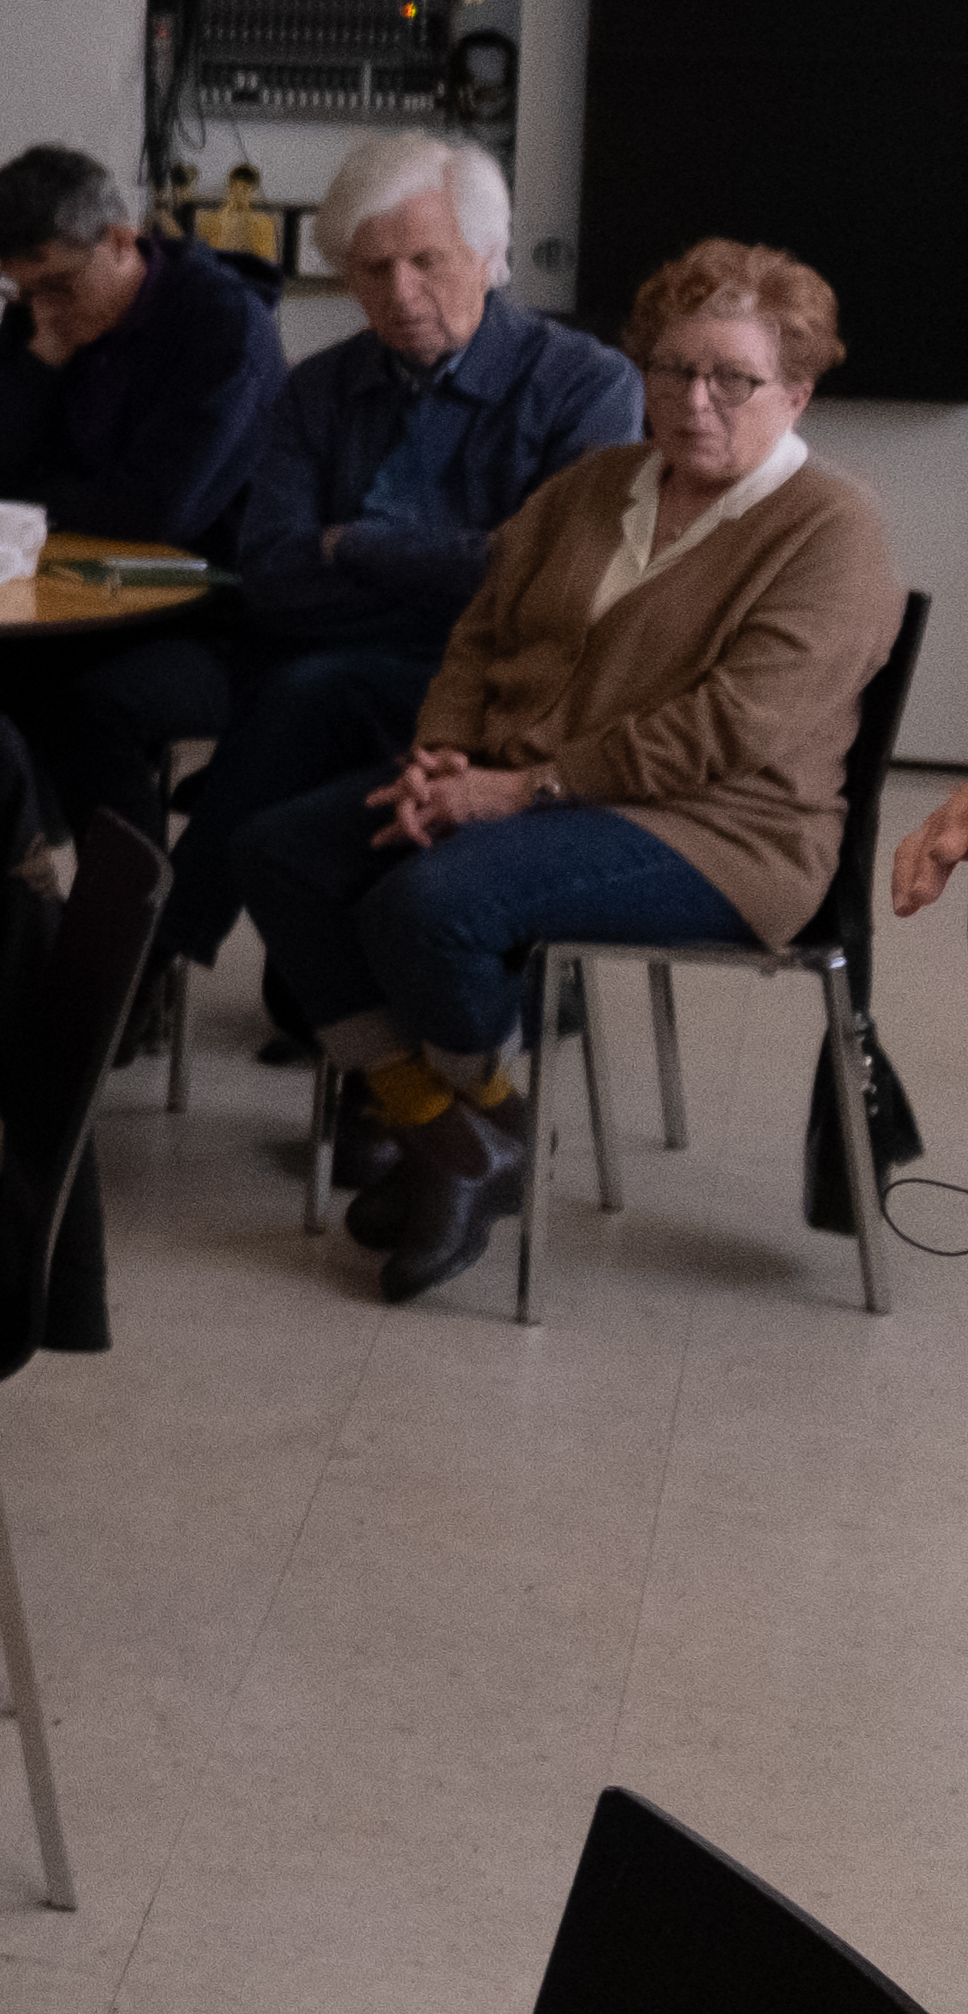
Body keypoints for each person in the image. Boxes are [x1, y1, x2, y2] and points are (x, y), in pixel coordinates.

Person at [223, 241, 900, 1304]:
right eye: (671, 370)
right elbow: (478, 636)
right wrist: (437, 755)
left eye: (732, 378)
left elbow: (731, 730)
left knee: (429, 904)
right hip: (521, 784)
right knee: (281, 853)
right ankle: (461, 1136)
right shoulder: (593, 486)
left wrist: (514, 790)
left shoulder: (832, 530)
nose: (693, 402)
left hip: (721, 830)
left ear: (797, 392)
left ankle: (461, 1140)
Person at [77, 136, 638, 983]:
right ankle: (142, 935)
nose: (401, 293)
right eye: (371, 269)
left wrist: (352, 544)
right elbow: (269, 570)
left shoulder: (585, 384)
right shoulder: (319, 387)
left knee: (312, 693)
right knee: (105, 695)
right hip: (298, 652)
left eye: (426, 260)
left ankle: (143, 954)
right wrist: (452, 567)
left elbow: (539, 583)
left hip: (491, 685)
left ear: (490, 257)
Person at [0, 141, 268, 555]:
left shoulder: (222, 322)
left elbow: (155, 510)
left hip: (198, 585)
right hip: (60, 566)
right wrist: (42, 358)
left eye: (57, 286)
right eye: (22, 289)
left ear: (121, 240)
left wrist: (15, 496)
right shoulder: (36, 316)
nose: (42, 307)